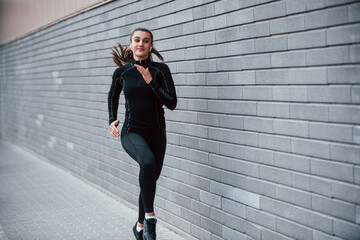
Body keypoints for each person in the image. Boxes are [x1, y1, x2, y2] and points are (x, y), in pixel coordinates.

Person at [107, 27, 177, 240]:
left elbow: (172, 103)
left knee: (149, 180)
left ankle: (139, 227)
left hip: (157, 134)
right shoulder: (122, 73)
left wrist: (151, 82)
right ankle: (150, 219)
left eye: (145, 41)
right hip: (131, 132)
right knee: (146, 163)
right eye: (137, 40)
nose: (141, 44)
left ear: (150, 46)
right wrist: (112, 120)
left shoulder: (160, 71)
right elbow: (112, 96)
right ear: (130, 44)